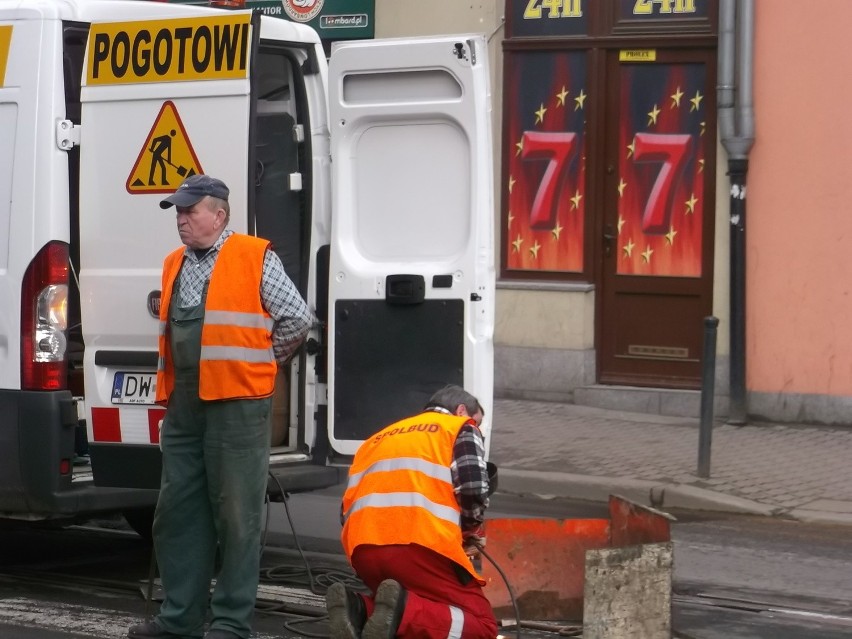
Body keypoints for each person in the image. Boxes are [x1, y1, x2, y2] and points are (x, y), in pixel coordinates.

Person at [128, 174, 313, 639]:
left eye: (190, 211)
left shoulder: (254, 256)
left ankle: (231, 623)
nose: (182, 220)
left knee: (236, 514)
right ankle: (179, 620)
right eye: (178, 212)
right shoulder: (174, 263)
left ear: (220, 215)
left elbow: (297, 317)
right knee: (177, 512)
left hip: (237, 405)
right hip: (186, 404)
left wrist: (260, 363)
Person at [327, 385, 499, 639]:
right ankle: (402, 616)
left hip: (364, 551)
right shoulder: (459, 427)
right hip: (419, 548)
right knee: (482, 625)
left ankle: (360, 610)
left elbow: (345, 509)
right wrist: (471, 530)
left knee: (405, 600)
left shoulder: (378, 437)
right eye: (478, 422)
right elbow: (473, 487)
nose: (477, 429)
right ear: (462, 410)